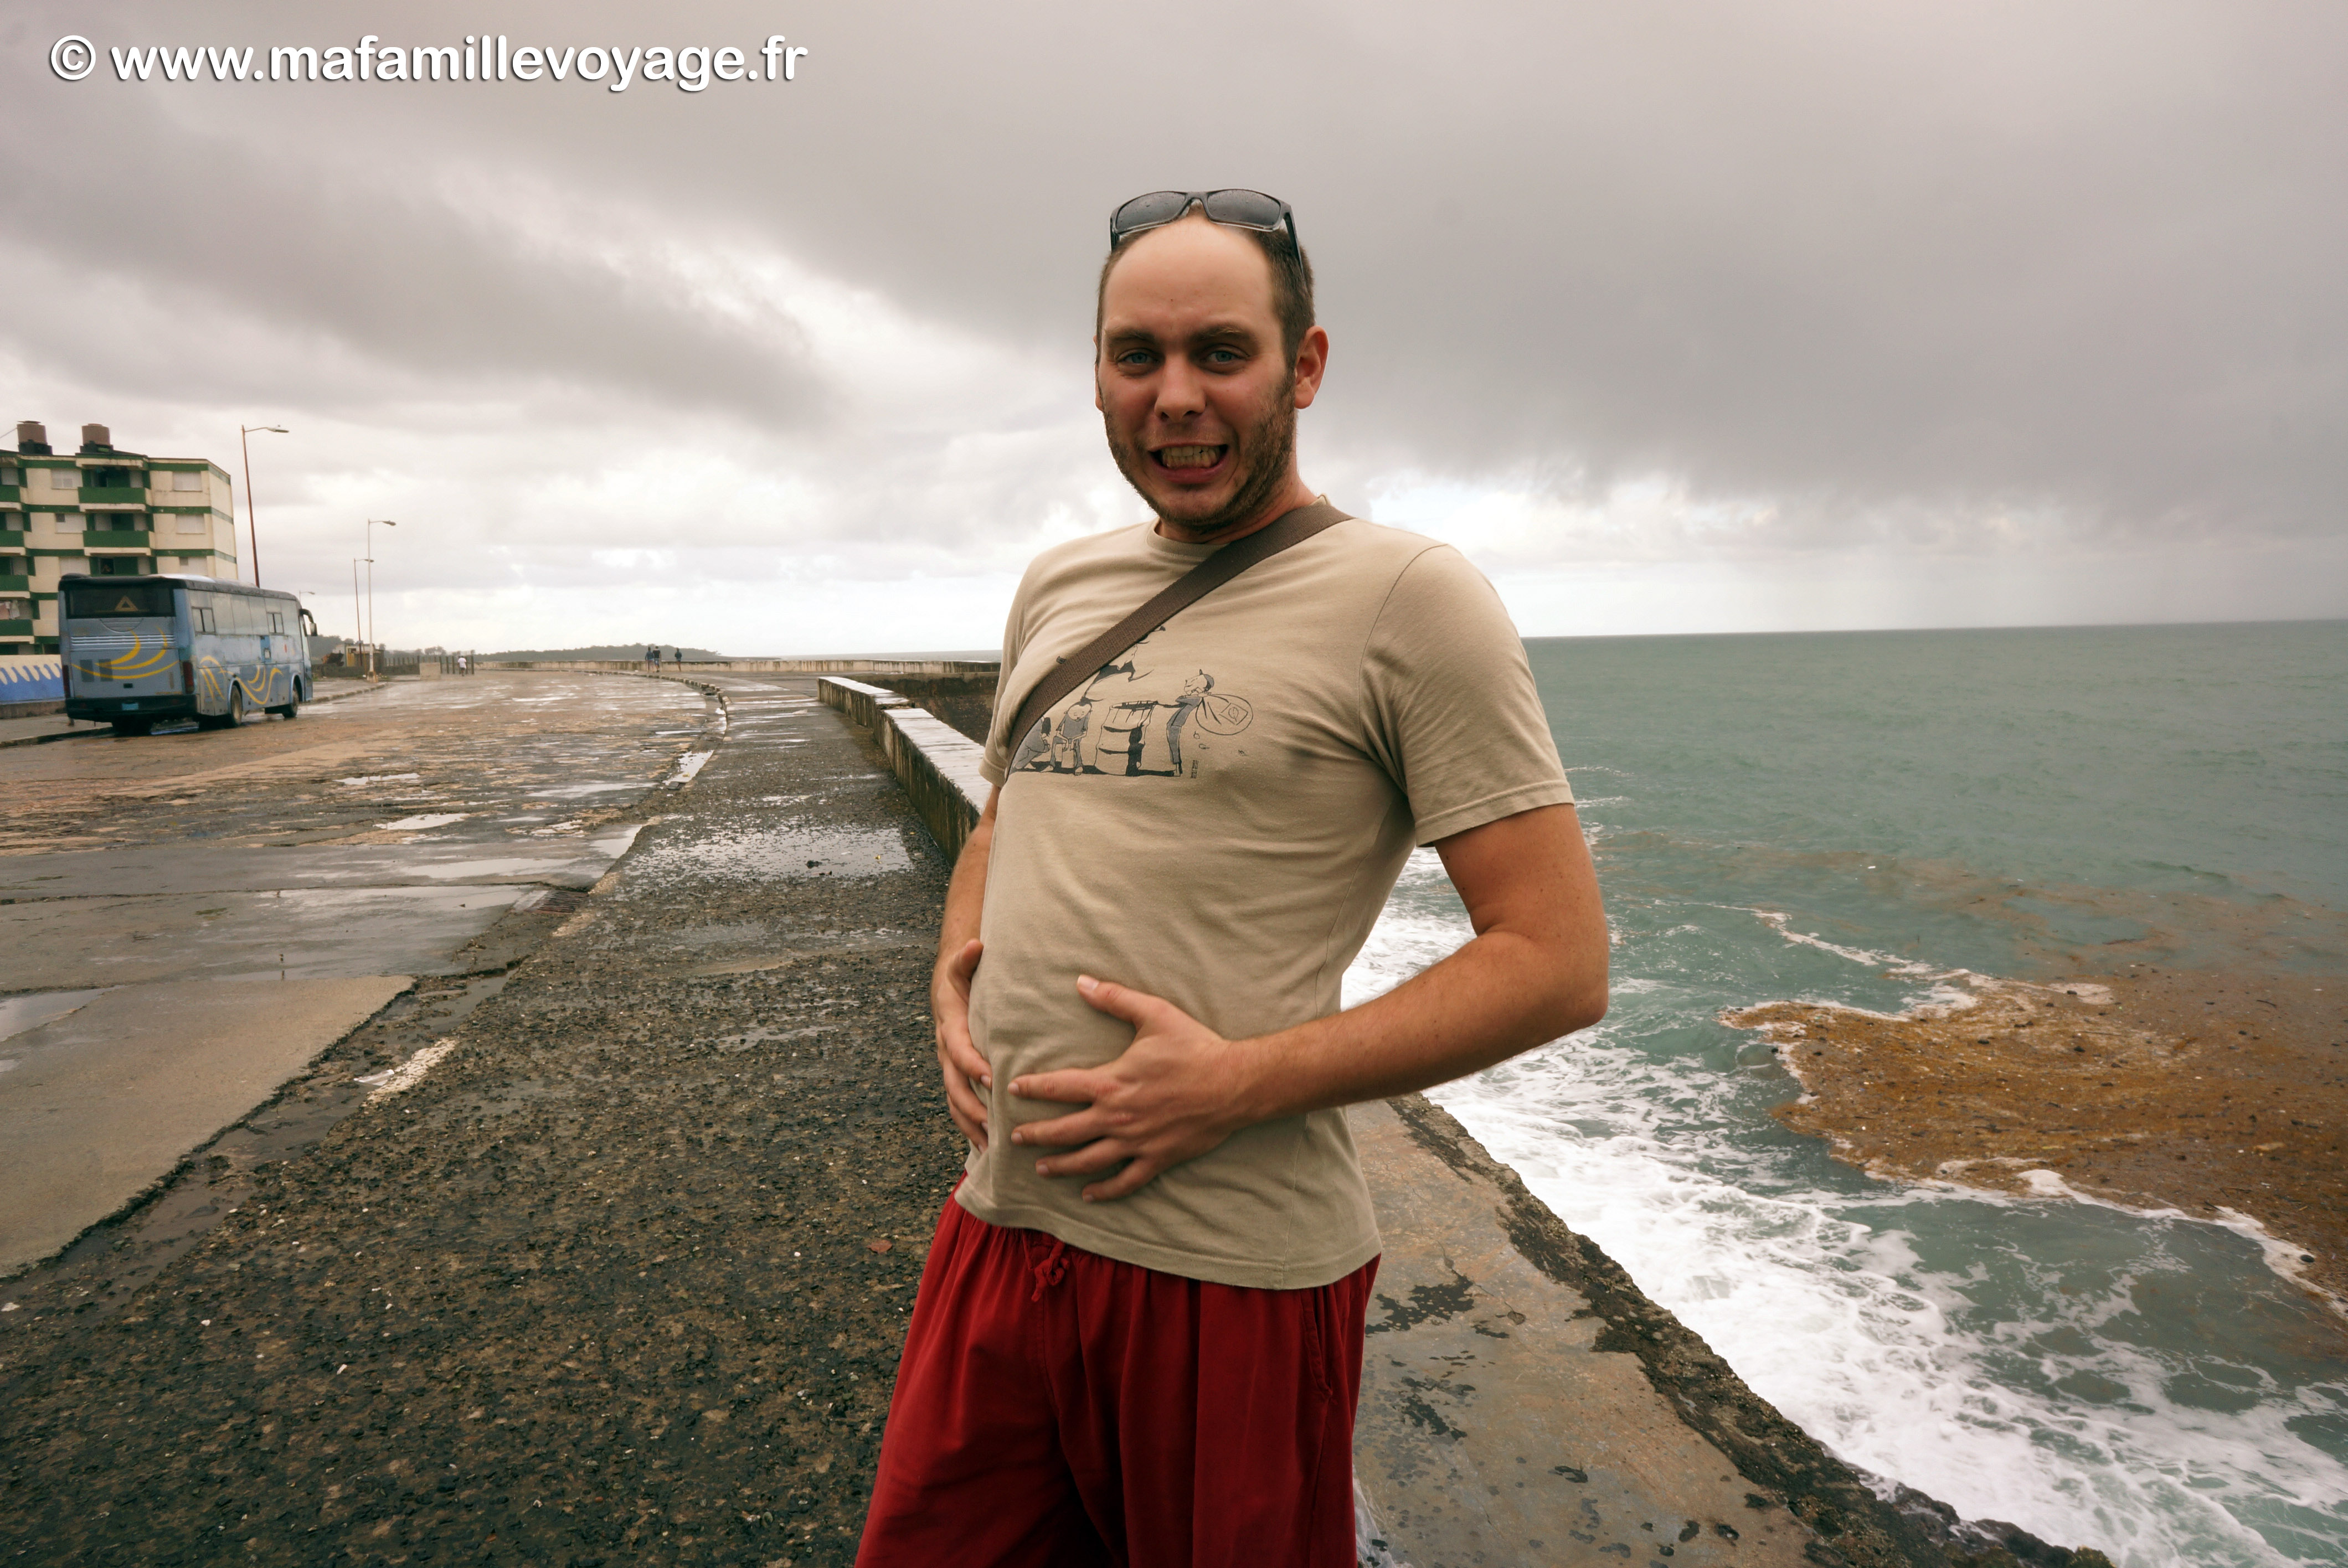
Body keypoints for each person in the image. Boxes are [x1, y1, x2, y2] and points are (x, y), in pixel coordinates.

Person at [857, 190, 1609, 1567]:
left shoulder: (1410, 597)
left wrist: (1234, 1082)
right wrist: (952, 973)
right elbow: (1003, 813)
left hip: (1226, 1275)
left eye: (1220, 353)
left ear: (1303, 367)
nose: (1175, 398)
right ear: (1095, 372)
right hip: (1001, 1223)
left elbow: (1554, 960)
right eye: (1135, 357)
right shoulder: (1059, 586)